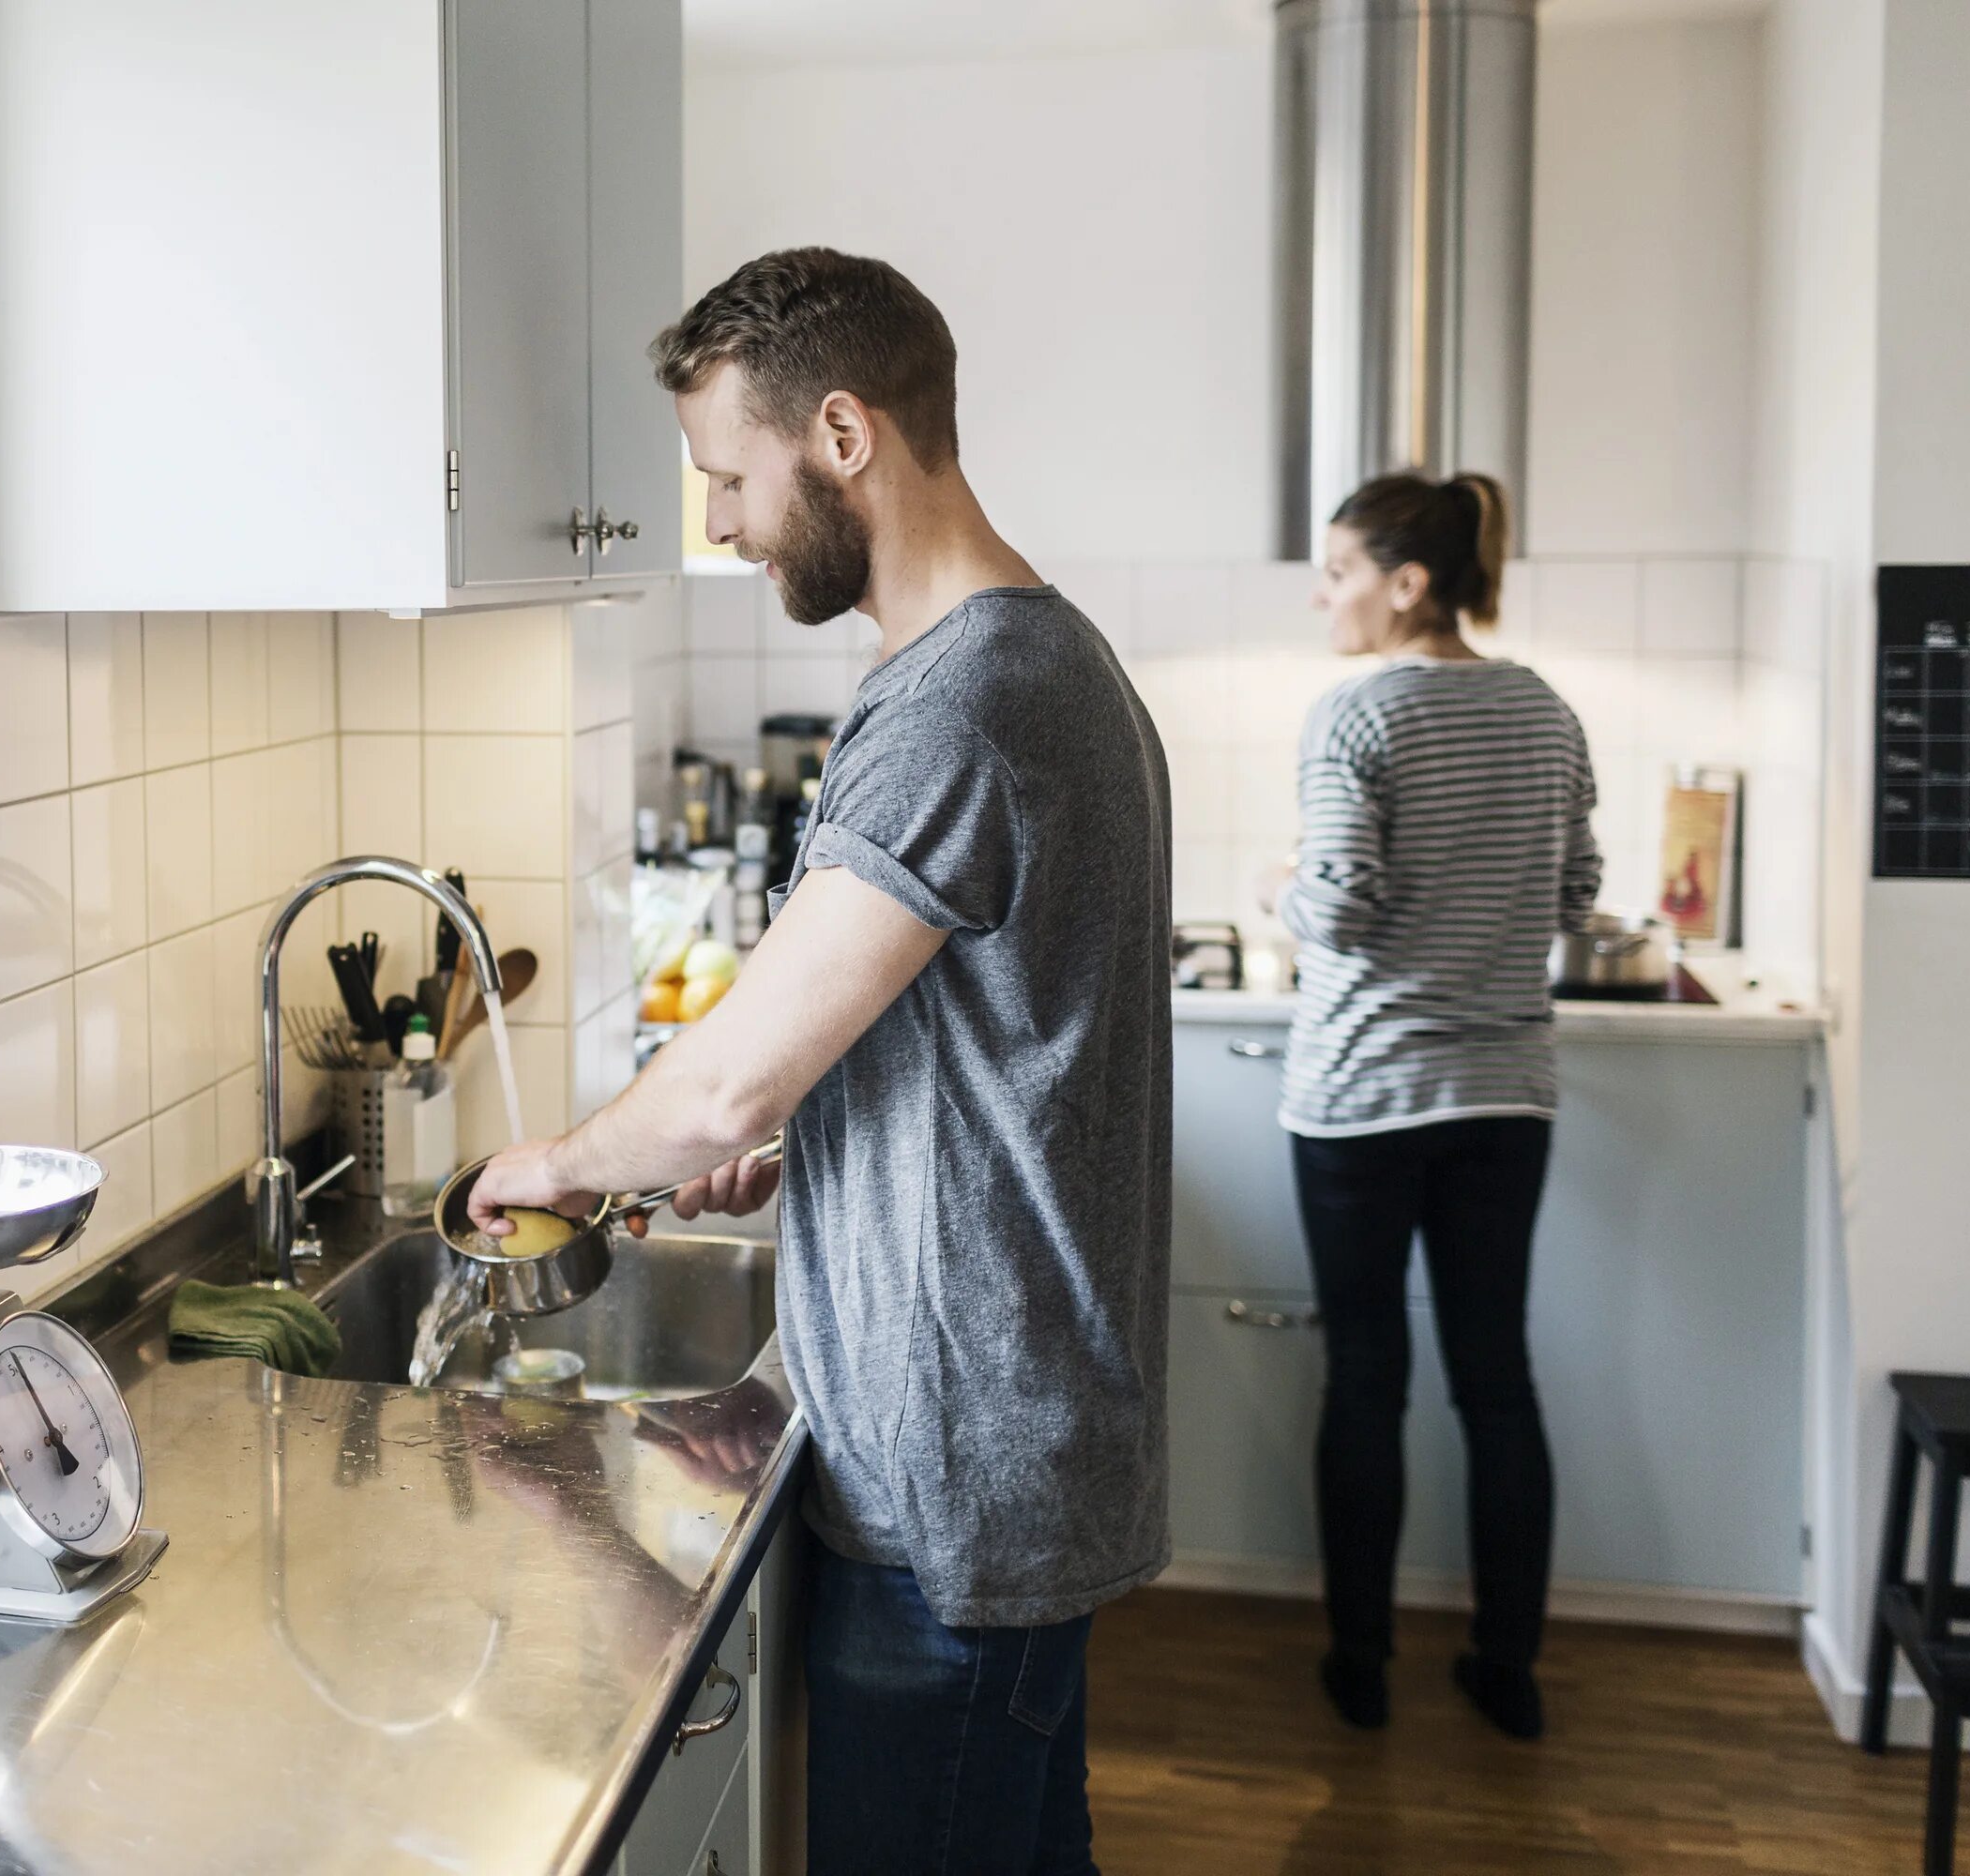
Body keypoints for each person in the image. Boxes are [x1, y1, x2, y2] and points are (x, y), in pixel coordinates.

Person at [467, 247, 1173, 1874]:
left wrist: (555, 1165)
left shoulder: (963, 703)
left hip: (957, 1485)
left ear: (841, 433)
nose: (715, 521)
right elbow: (986, 1047)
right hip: (991, 1453)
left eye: (728, 474)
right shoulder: (1021, 659)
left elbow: (725, 1081)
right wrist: (832, 1147)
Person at [1266, 471, 1601, 1742]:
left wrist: (1271, 883)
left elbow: (1339, 907)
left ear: (1407, 584)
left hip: (1362, 1099)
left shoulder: (1357, 715)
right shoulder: (1545, 710)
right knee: (1496, 1379)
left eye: (1340, 570)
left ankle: (1362, 1666)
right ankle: (1504, 1670)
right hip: (1504, 1096)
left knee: (1366, 1376)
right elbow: (1575, 894)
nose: (1323, 595)